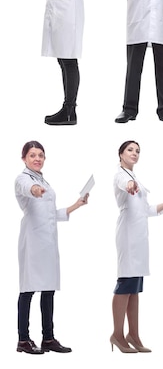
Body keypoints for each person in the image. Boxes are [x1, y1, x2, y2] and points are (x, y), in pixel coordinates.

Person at [15, 140, 89, 354]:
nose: (37, 158)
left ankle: (48, 338)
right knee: (28, 289)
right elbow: (29, 189)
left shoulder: (43, 180)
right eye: (32, 155)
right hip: (32, 241)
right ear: (24, 159)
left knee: (48, 290)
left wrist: (77, 204)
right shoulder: (24, 179)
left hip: (48, 242)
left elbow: (51, 213)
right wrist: (36, 189)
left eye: (40, 155)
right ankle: (23, 339)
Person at [110, 140, 163, 353]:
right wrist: (130, 186)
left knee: (134, 288)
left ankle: (133, 334)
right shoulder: (121, 175)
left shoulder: (134, 177)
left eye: (138, 151)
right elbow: (124, 184)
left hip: (139, 238)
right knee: (125, 283)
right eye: (130, 150)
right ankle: (116, 334)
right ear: (121, 154)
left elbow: (147, 209)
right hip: (128, 236)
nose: (135, 153)